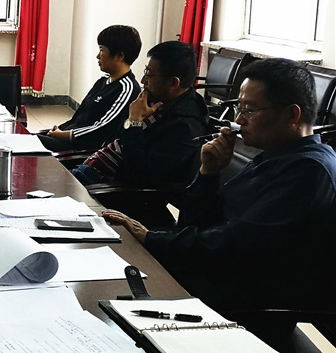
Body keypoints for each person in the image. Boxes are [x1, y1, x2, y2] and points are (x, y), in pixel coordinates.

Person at [103, 58, 336, 313]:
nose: (239, 119)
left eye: (249, 110)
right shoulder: (276, 156)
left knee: (113, 286)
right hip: (214, 276)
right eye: (239, 108)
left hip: (244, 303)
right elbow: (198, 225)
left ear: (292, 115)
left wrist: (152, 238)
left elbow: (236, 244)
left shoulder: (309, 172)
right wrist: (208, 173)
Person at [71, 40, 208, 187]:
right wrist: (131, 121)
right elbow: (120, 137)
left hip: (110, 186)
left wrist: (135, 122)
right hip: (94, 169)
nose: (143, 80)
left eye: (148, 75)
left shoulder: (185, 126)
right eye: (145, 72)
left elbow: (140, 174)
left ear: (173, 83)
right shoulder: (158, 101)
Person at [38, 25, 141, 153]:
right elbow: (80, 118)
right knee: (24, 138)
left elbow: (103, 129)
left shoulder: (127, 89)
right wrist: (59, 130)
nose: (98, 56)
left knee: (27, 142)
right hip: (68, 139)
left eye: (102, 50)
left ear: (119, 56)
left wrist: (65, 135)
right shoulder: (103, 81)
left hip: (83, 150)